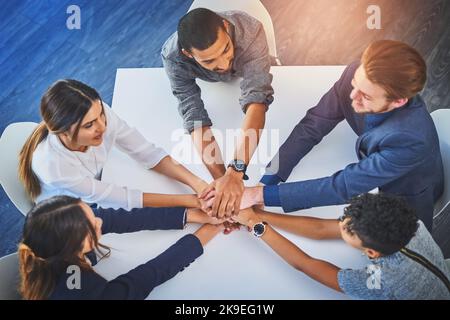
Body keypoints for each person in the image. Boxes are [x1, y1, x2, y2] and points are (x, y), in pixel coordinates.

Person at [241, 40, 443, 231]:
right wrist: (267, 180)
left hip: (404, 200)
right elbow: (313, 125)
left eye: (366, 96)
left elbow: (342, 187)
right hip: (373, 167)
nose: (353, 97)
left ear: (398, 101)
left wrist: (259, 195)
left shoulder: (412, 140)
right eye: (356, 84)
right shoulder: (356, 74)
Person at [19, 79, 210, 211]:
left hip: (96, 179)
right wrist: (192, 201)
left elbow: (147, 152)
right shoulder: (53, 167)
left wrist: (200, 185)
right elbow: (120, 198)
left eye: (100, 113)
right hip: (68, 209)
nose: (102, 126)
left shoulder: (101, 115)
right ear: (63, 132)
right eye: (89, 125)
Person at [162, 8, 274, 217]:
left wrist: (236, 172)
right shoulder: (172, 58)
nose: (223, 64)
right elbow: (194, 117)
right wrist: (224, 183)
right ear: (188, 54)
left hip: (252, 70)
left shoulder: (251, 31)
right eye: (208, 61)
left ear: (225, 26)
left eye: (225, 50)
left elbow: (257, 101)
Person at [233, 193, 450, 300]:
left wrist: (257, 226)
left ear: (371, 253)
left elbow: (306, 264)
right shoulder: (413, 226)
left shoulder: (378, 281)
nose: (339, 226)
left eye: (346, 231)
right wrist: (257, 214)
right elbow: (320, 229)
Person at [18, 195, 225, 300]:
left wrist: (189, 215)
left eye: (91, 214)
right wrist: (204, 235)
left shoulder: (60, 236)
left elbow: (123, 218)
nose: (100, 222)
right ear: (70, 250)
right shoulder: (76, 283)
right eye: (93, 227)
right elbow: (141, 281)